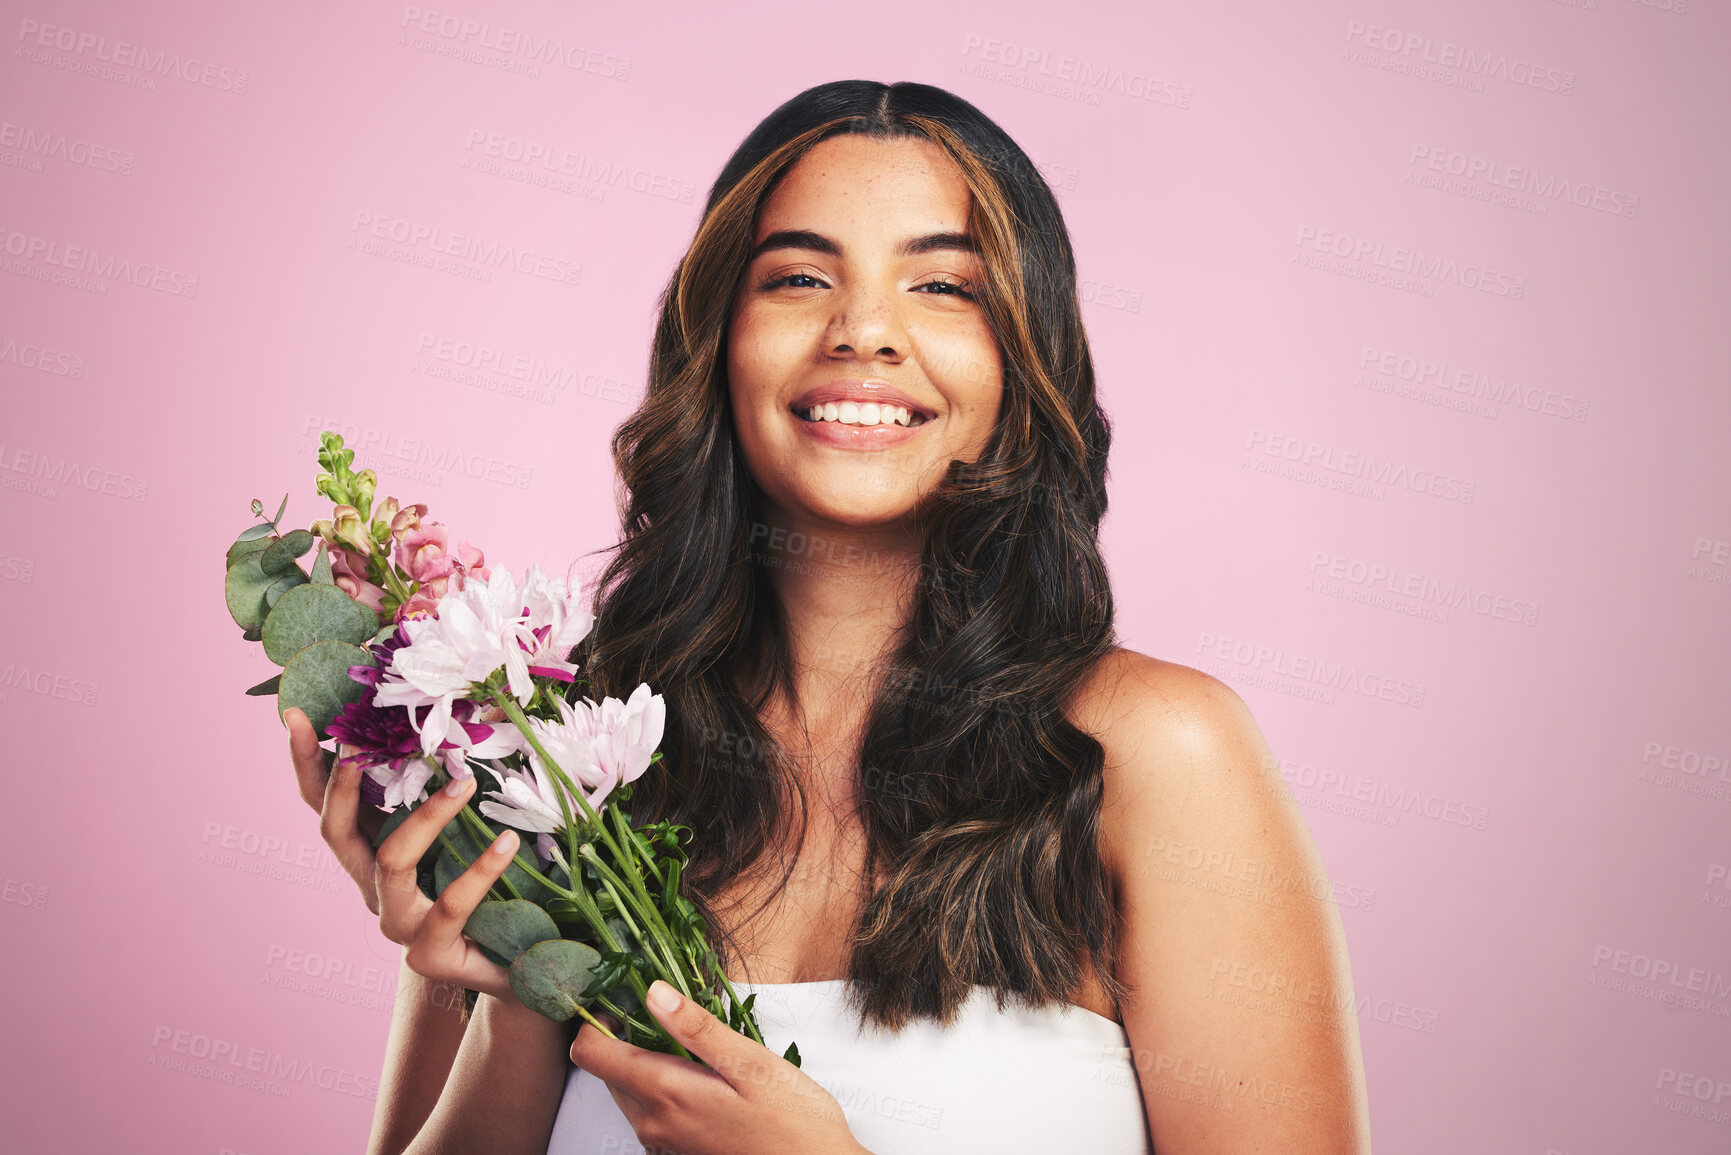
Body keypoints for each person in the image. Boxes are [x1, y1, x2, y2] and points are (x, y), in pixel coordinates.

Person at [288, 79, 1373, 1154]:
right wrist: (531, 961)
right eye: (800, 277)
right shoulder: (554, 766)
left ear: (1022, 356)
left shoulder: (1157, 755)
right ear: (718, 338)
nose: (864, 331)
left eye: (946, 286)